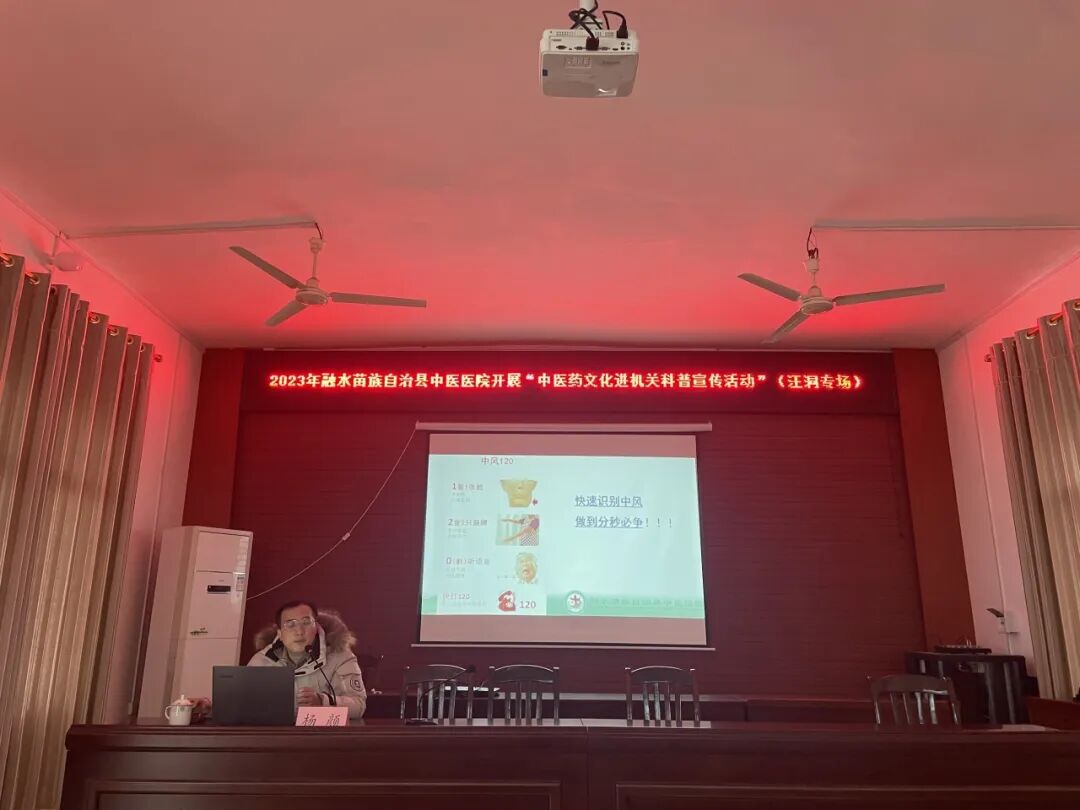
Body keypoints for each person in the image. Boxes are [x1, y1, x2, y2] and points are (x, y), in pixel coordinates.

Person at [247, 600, 367, 719]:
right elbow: (246, 706)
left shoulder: (340, 656)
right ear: (280, 634)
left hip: (320, 730)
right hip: (275, 731)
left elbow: (358, 706)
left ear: (316, 628)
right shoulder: (261, 661)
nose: (299, 632)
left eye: (306, 622)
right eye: (290, 625)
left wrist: (322, 701)